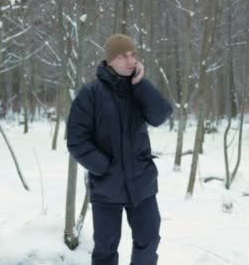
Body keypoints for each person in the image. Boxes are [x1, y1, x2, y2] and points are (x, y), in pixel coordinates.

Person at [67, 34, 173, 265]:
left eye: (133, 55)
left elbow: (161, 115)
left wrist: (141, 85)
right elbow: (76, 140)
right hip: (107, 188)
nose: (130, 60)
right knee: (105, 250)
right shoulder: (90, 94)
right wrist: (103, 167)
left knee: (149, 240)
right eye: (123, 56)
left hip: (142, 185)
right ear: (110, 60)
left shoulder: (138, 90)